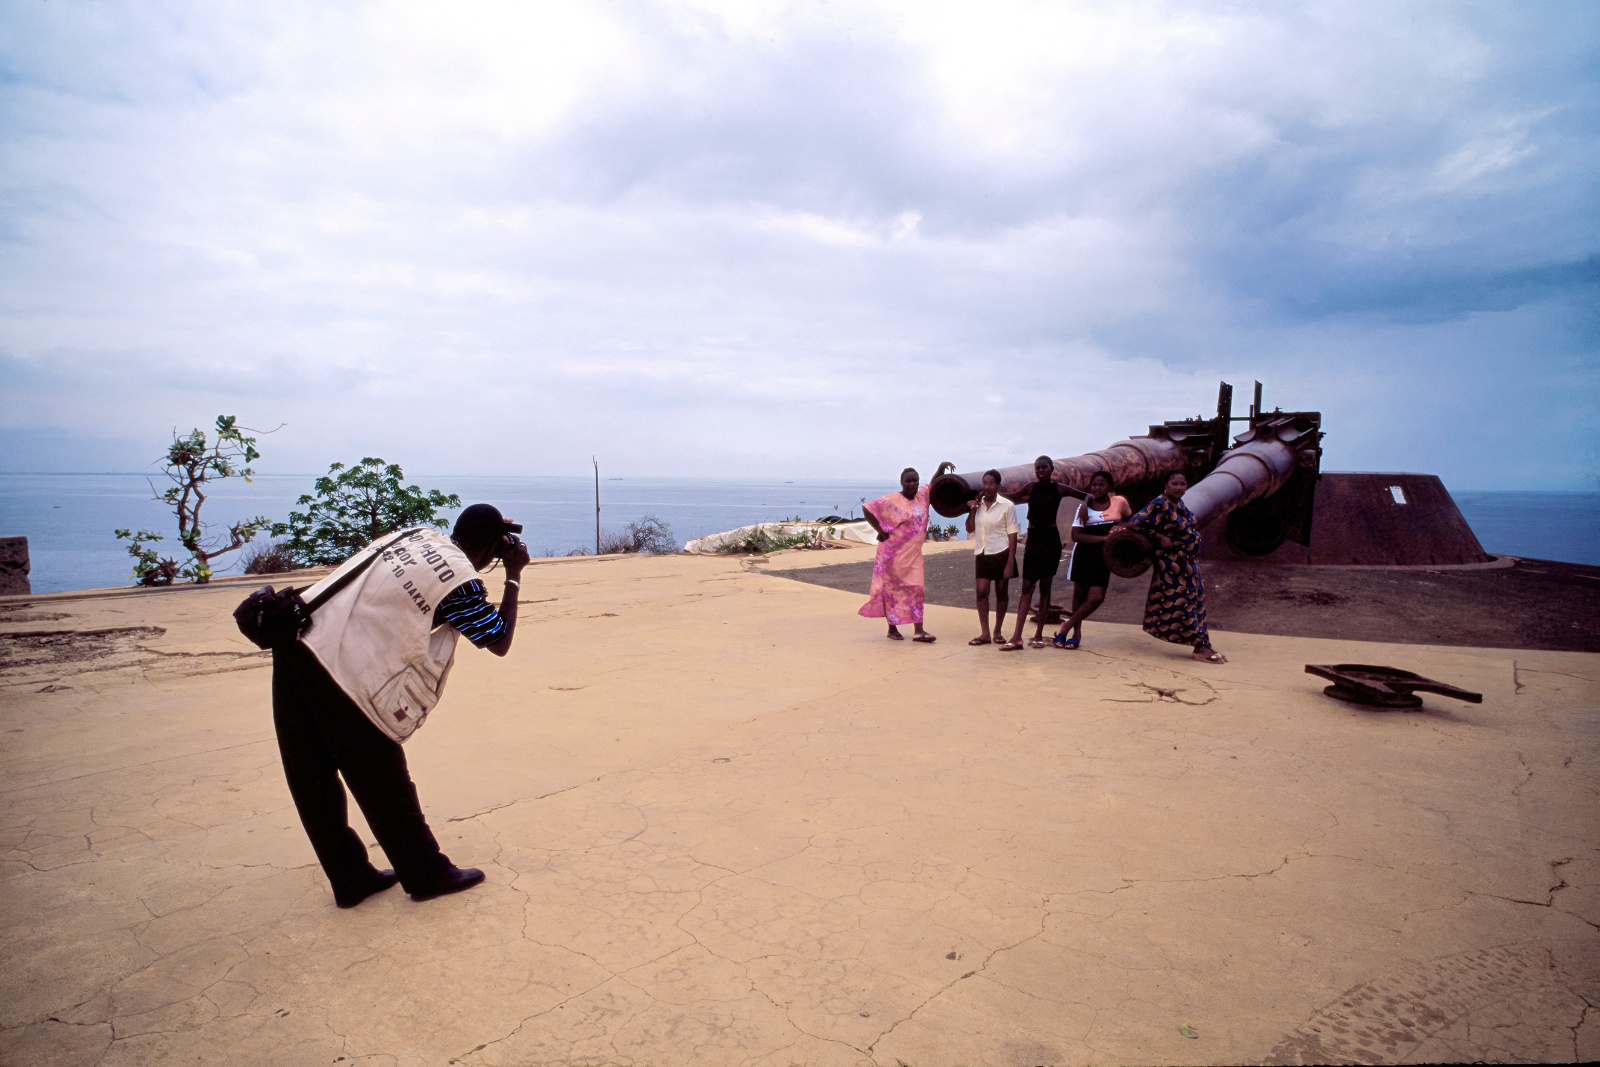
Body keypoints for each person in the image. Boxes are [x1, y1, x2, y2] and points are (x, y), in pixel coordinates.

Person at [272, 503, 532, 908]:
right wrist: (513, 577)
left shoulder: (417, 539)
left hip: (297, 642)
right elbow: (498, 640)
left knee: (312, 777)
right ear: (489, 549)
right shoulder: (456, 580)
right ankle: (426, 873)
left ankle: (351, 878)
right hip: (343, 674)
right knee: (384, 778)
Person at [1120, 472, 1227, 663]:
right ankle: (1199, 647)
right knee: (1184, 605)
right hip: (1173, 564)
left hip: (1189, 563)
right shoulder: (1160, 503)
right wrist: (1158, 536)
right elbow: (1135, 522)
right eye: (1174, 483)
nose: (1179, 487)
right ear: (1166, 485)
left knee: (1196, 604)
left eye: (1182, 483)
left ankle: (1203, 643)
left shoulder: (1180, 504)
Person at [1003, 456, 1085, 650]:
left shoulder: (1058, 488)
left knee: (1045, 587)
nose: (1041, 471)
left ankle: (1039, 634)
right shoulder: (1031, 487)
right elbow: (1011, 497)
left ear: (1051, 469)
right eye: (1038, 468)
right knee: (1027, 587)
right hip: (1034, 539)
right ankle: (1017, 636)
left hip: (1050, 540)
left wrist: (1084, 508)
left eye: (1044, 467)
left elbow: (1084, 495)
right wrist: (985, 495)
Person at [1052, 470, 1132, 650]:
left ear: (1109, 487)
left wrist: (1119, 528)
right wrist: (1104, 539)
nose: (1097, 488)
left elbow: (1130, 520)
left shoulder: (1120, 502)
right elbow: (1076, 535)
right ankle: (1075, 634)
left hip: (1104, 557)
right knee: (1079, 595)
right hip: (1083, 555)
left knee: (1096, 597)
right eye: (1094, 485)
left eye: (1101, 484)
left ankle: (1066, 625)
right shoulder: (1083, 508)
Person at [859, 467, 938, 642]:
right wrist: (880, 531)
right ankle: (892, 628)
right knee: (891, 591)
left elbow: (932, 484)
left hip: (913, 556)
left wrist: (940, 467)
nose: (912, 484)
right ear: (901, 483)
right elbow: (867, 509)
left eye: (915, 480)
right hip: (892, 555)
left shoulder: (922, 497)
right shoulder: (891, 500)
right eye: (908, 480)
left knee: (917, 589)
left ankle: (919, 631)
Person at [966, 469, 1019, 646]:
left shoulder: (1007, 506)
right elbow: (970, 529)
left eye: (991, 483)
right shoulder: (977, 504)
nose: (987, 487)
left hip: (1002, 552)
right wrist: (972, 510)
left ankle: (997, 631)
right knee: (981, 592)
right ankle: (985, 633)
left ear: (998, 486)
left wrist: (1010, 562)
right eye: (984, 483)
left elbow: (1012, 534)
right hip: (982, 552)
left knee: (1001, 592)